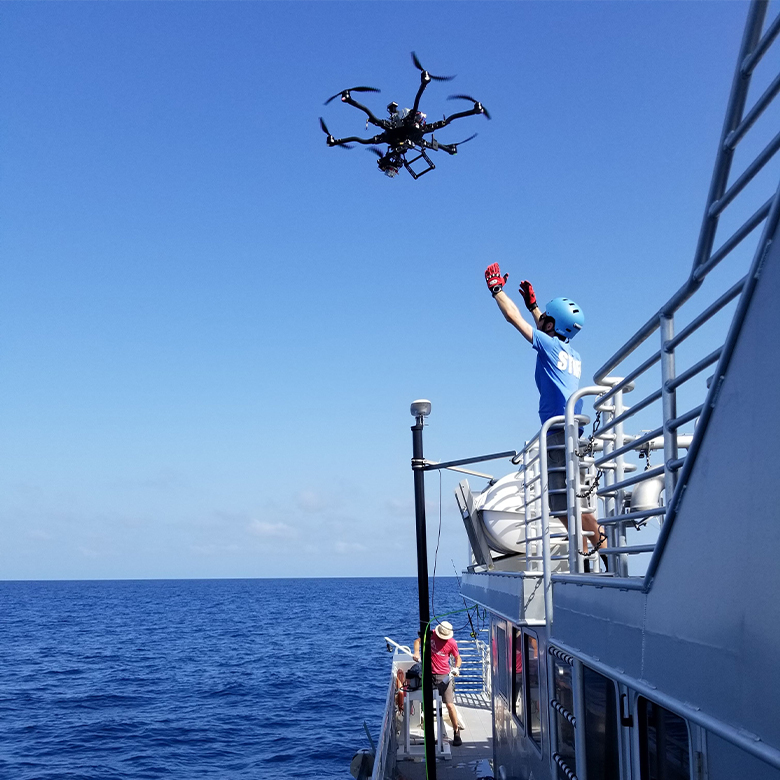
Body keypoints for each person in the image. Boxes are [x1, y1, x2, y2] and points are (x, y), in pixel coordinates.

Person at [484, 262, 605, 557]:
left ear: (551, 326)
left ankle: (595, 550)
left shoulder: (549, 348)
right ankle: (599, 550)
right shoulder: (572, 353)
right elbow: (548, 327)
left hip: (558, 432)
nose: (542, 320)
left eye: (546, 319)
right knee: (569, 499)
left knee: (559, 502)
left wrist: (497, 290)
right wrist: (536, 306)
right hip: (575, 431)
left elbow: (514, 319)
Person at [414, 621, 463, 746]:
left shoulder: (451, 643)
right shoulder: (431, 634)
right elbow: (417, 641)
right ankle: (430, 733)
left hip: (444, 676)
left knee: (449, 705)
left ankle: (456, 731)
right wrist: (416, 652)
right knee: (427, 704)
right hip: (429, 675)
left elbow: (458, 658)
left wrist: (456, 668)